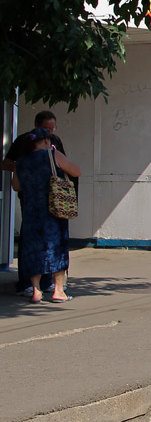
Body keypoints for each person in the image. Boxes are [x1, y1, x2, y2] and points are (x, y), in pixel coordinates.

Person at [3, 111, 71, 296]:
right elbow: (7, 163)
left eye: (52, 128)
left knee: (47, 241)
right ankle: (31, 284)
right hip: (33, 199)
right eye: (46, 129)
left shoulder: (55, 142)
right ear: (36, 125)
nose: (49, 133)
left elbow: (65, 166)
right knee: (37, 240)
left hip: (53, 199)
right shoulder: (24, 142)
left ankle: (44, 284)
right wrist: (24, 169)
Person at [11, 127, 81, 303]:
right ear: (46, 141)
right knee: (57, 247)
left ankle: (36, 291)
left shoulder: (20, 161)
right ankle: (58, 291)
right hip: (54, 210)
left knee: (33, 249)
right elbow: (76, 171)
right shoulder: (52, 154)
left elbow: (16, 186)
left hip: (31, 212)